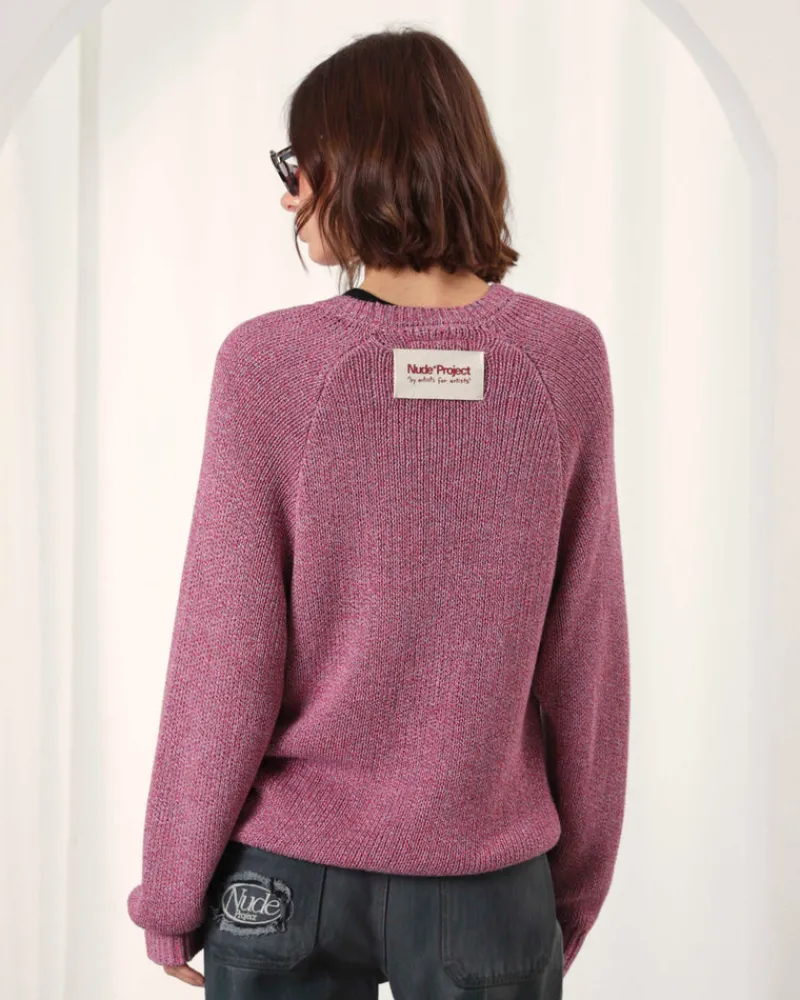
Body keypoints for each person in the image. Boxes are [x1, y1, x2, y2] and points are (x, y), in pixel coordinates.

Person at [127, 26, 630, 999]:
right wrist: (563, 894)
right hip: (489, 881)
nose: (288, 195)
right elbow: (589, 656)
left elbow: (223, 652)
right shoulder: (563, 360)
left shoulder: (268, 364)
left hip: (285, 881)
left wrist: (173, 890)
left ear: (358, 161)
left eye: (299, 164)